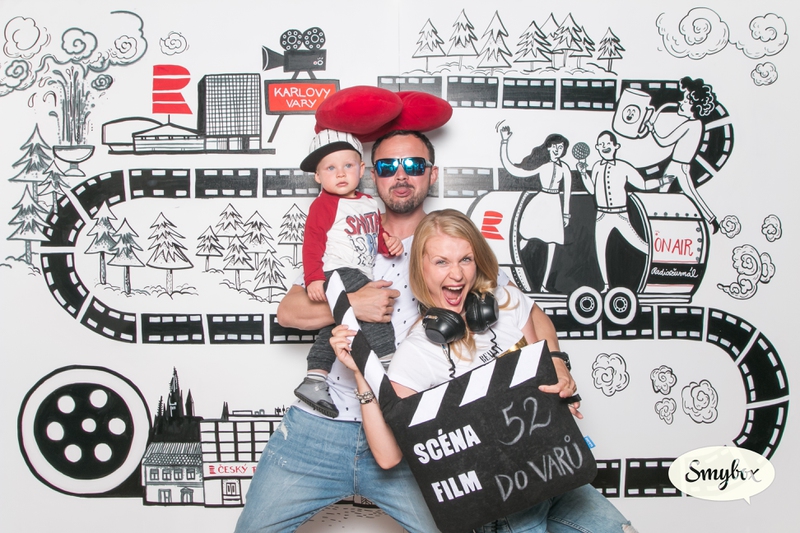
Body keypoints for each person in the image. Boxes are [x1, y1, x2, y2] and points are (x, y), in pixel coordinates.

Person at [235, 130, 568, 533]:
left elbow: (528, 311)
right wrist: (352, 305)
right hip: (322, 424)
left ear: (432, 174)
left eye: (413, 165)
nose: (401, 175)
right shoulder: (349, 229)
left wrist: (555, 361)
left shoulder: (449, 242)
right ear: (372, 174)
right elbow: (288, 312)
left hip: (409, 428)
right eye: (389, 166)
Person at [330, 209, 637, 533]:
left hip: (558, 466)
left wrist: (557, 368)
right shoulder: (417, 352)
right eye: (441, 262)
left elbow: (539, 324)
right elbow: (388, 456)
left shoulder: (504, 301)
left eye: (465, 259)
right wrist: (360, 374)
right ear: (420, 267)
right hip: (506, 497)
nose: (457, 274)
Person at [293, 129, 403, 419]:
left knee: (338, 327)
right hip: (338, 270)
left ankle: (314, 378)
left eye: (348, 165)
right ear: (318, 177)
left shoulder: (369, 203)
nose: (340, 173)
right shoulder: (324, 204)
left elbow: (373, 237)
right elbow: (312, 241)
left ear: (361, 169)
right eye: (330, 168)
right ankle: (388, 366)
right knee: (376, 306)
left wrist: (388, 244)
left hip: (357, 269)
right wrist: (314, 277)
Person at [578, 130, 674, 293]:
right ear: (597, 147)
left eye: (608, 143)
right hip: (601, 216)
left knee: (639, 244)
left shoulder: (624, 167)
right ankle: (606, 286)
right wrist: (582, 173)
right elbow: (592, 190)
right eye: (601, 144)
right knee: (600, 250)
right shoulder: (596, 167)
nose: (605, 146)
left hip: (620, 215)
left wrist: (661, 181)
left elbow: (643, 185)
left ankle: (662, 266)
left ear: (616, 146)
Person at [499, 127, 572, 292]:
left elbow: (567, 193)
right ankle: (509, 272)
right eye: (554, 146)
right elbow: (514, 170)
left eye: (561, 147)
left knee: (552, 244)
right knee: (523, 237)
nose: (557, 150)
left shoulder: (565, 169)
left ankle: (545, 285)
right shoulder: (543, 166)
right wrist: (504, 142)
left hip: (554, 206)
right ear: (548, 148)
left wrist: (566, 214)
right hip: (539, 204)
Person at [647, 76, 720, 233]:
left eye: (686, 100)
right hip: (678, 165)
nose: (680, 102)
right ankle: (709, 220)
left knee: (681, 194)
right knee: (668, 192)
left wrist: (652, 129)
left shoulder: (691, 125)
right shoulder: (697, 124)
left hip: (678, 166)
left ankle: (662, 224)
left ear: (694, 106)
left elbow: (664, 141)